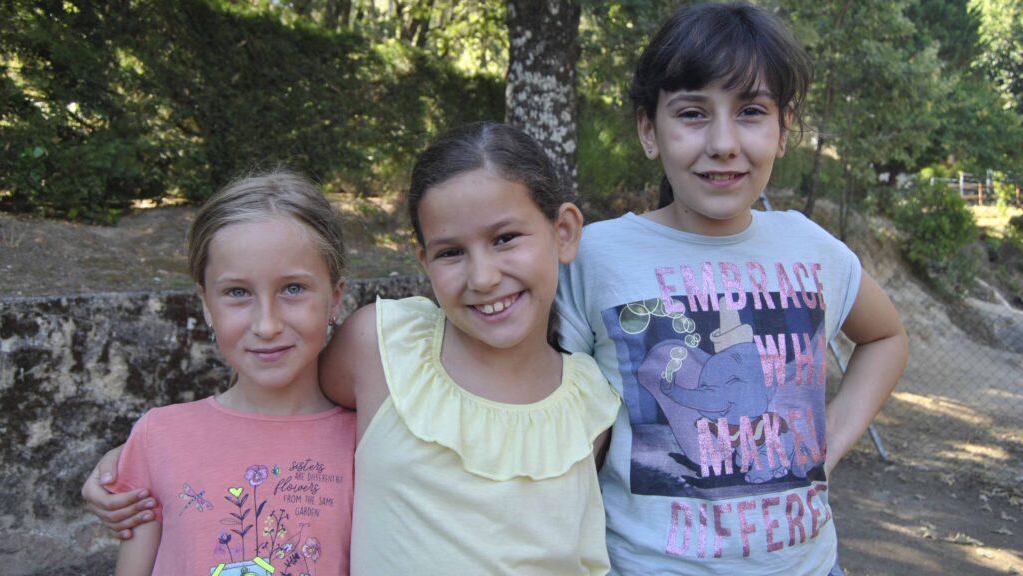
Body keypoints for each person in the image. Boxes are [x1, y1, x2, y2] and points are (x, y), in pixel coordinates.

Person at [84, 122, 621, 575]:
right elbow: (271, 414)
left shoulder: (592, 403)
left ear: (564, 231)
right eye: (451, 252)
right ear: (424, 260)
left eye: (505, 238)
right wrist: (136, 457)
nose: (483, 277)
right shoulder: (383, 349)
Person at [554, 3, 908, 574]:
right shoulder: (594, 256)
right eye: (693, 113)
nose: (723, 142)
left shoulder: (812, 248)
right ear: (649, 130)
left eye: (750, 112)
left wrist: (830, 443)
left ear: (783, 129)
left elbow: (886, 337)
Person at [108, 170, 356, 575]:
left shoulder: (370, 444)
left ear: (335, 298)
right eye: (237, 292)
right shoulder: (157, 438)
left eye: (293, 288)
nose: (267, 325)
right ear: (206, 304)